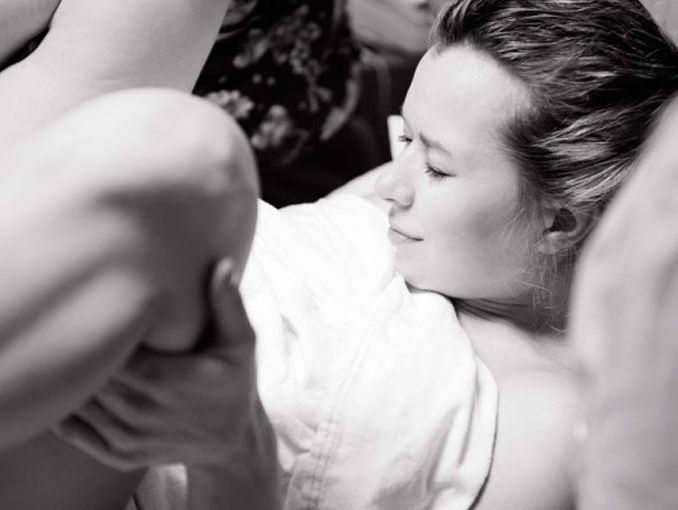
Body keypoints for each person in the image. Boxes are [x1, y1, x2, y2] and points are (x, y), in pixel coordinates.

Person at [2, 0, 678, 509]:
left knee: (193, 157)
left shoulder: (546, 425)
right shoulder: (417, 226)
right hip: (52, 278)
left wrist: (228, 442)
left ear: (561, 220)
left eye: (437, 167)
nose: (391, 185)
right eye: (403, 138)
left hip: (94, 434)